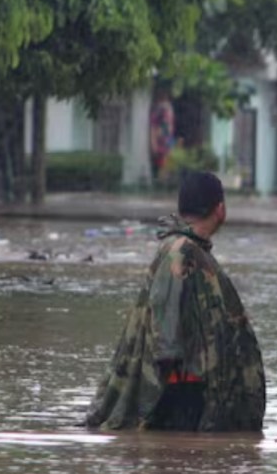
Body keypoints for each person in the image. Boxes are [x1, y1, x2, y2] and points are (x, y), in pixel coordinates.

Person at [86, 171, 265, 431]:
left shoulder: (188, 249)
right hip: (180, 392)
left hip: (184, 387)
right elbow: (165, 334)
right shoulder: (180, 251)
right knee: (179, 463)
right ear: (220, 209)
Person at [149, 88, 175, 181]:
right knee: (163, 158)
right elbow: (156, 125)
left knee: (165, 158)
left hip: (165, 137)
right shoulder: (162, 108)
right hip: (163, 137)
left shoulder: (165, 108)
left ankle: (163, 178)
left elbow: (166, 125)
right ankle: (162, 179)